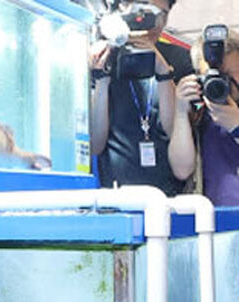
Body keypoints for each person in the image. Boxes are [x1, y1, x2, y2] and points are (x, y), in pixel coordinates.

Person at [90, 0, 194, 195]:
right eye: (147, 10)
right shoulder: (103, 56)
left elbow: (174, 133)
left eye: (162, 14)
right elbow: (95, 145)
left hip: (168, 195)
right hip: (114, 194)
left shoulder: (179, 59)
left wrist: (164, 73)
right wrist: (101, 79)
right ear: (123, 8)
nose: (156, 22)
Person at [169, 28, 239, 206]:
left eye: (230, 74)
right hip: (209, 216)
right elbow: (182, 170)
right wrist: (181, 112)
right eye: (213, 76)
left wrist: (237, 126)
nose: (222, 83)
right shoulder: (198, 113)